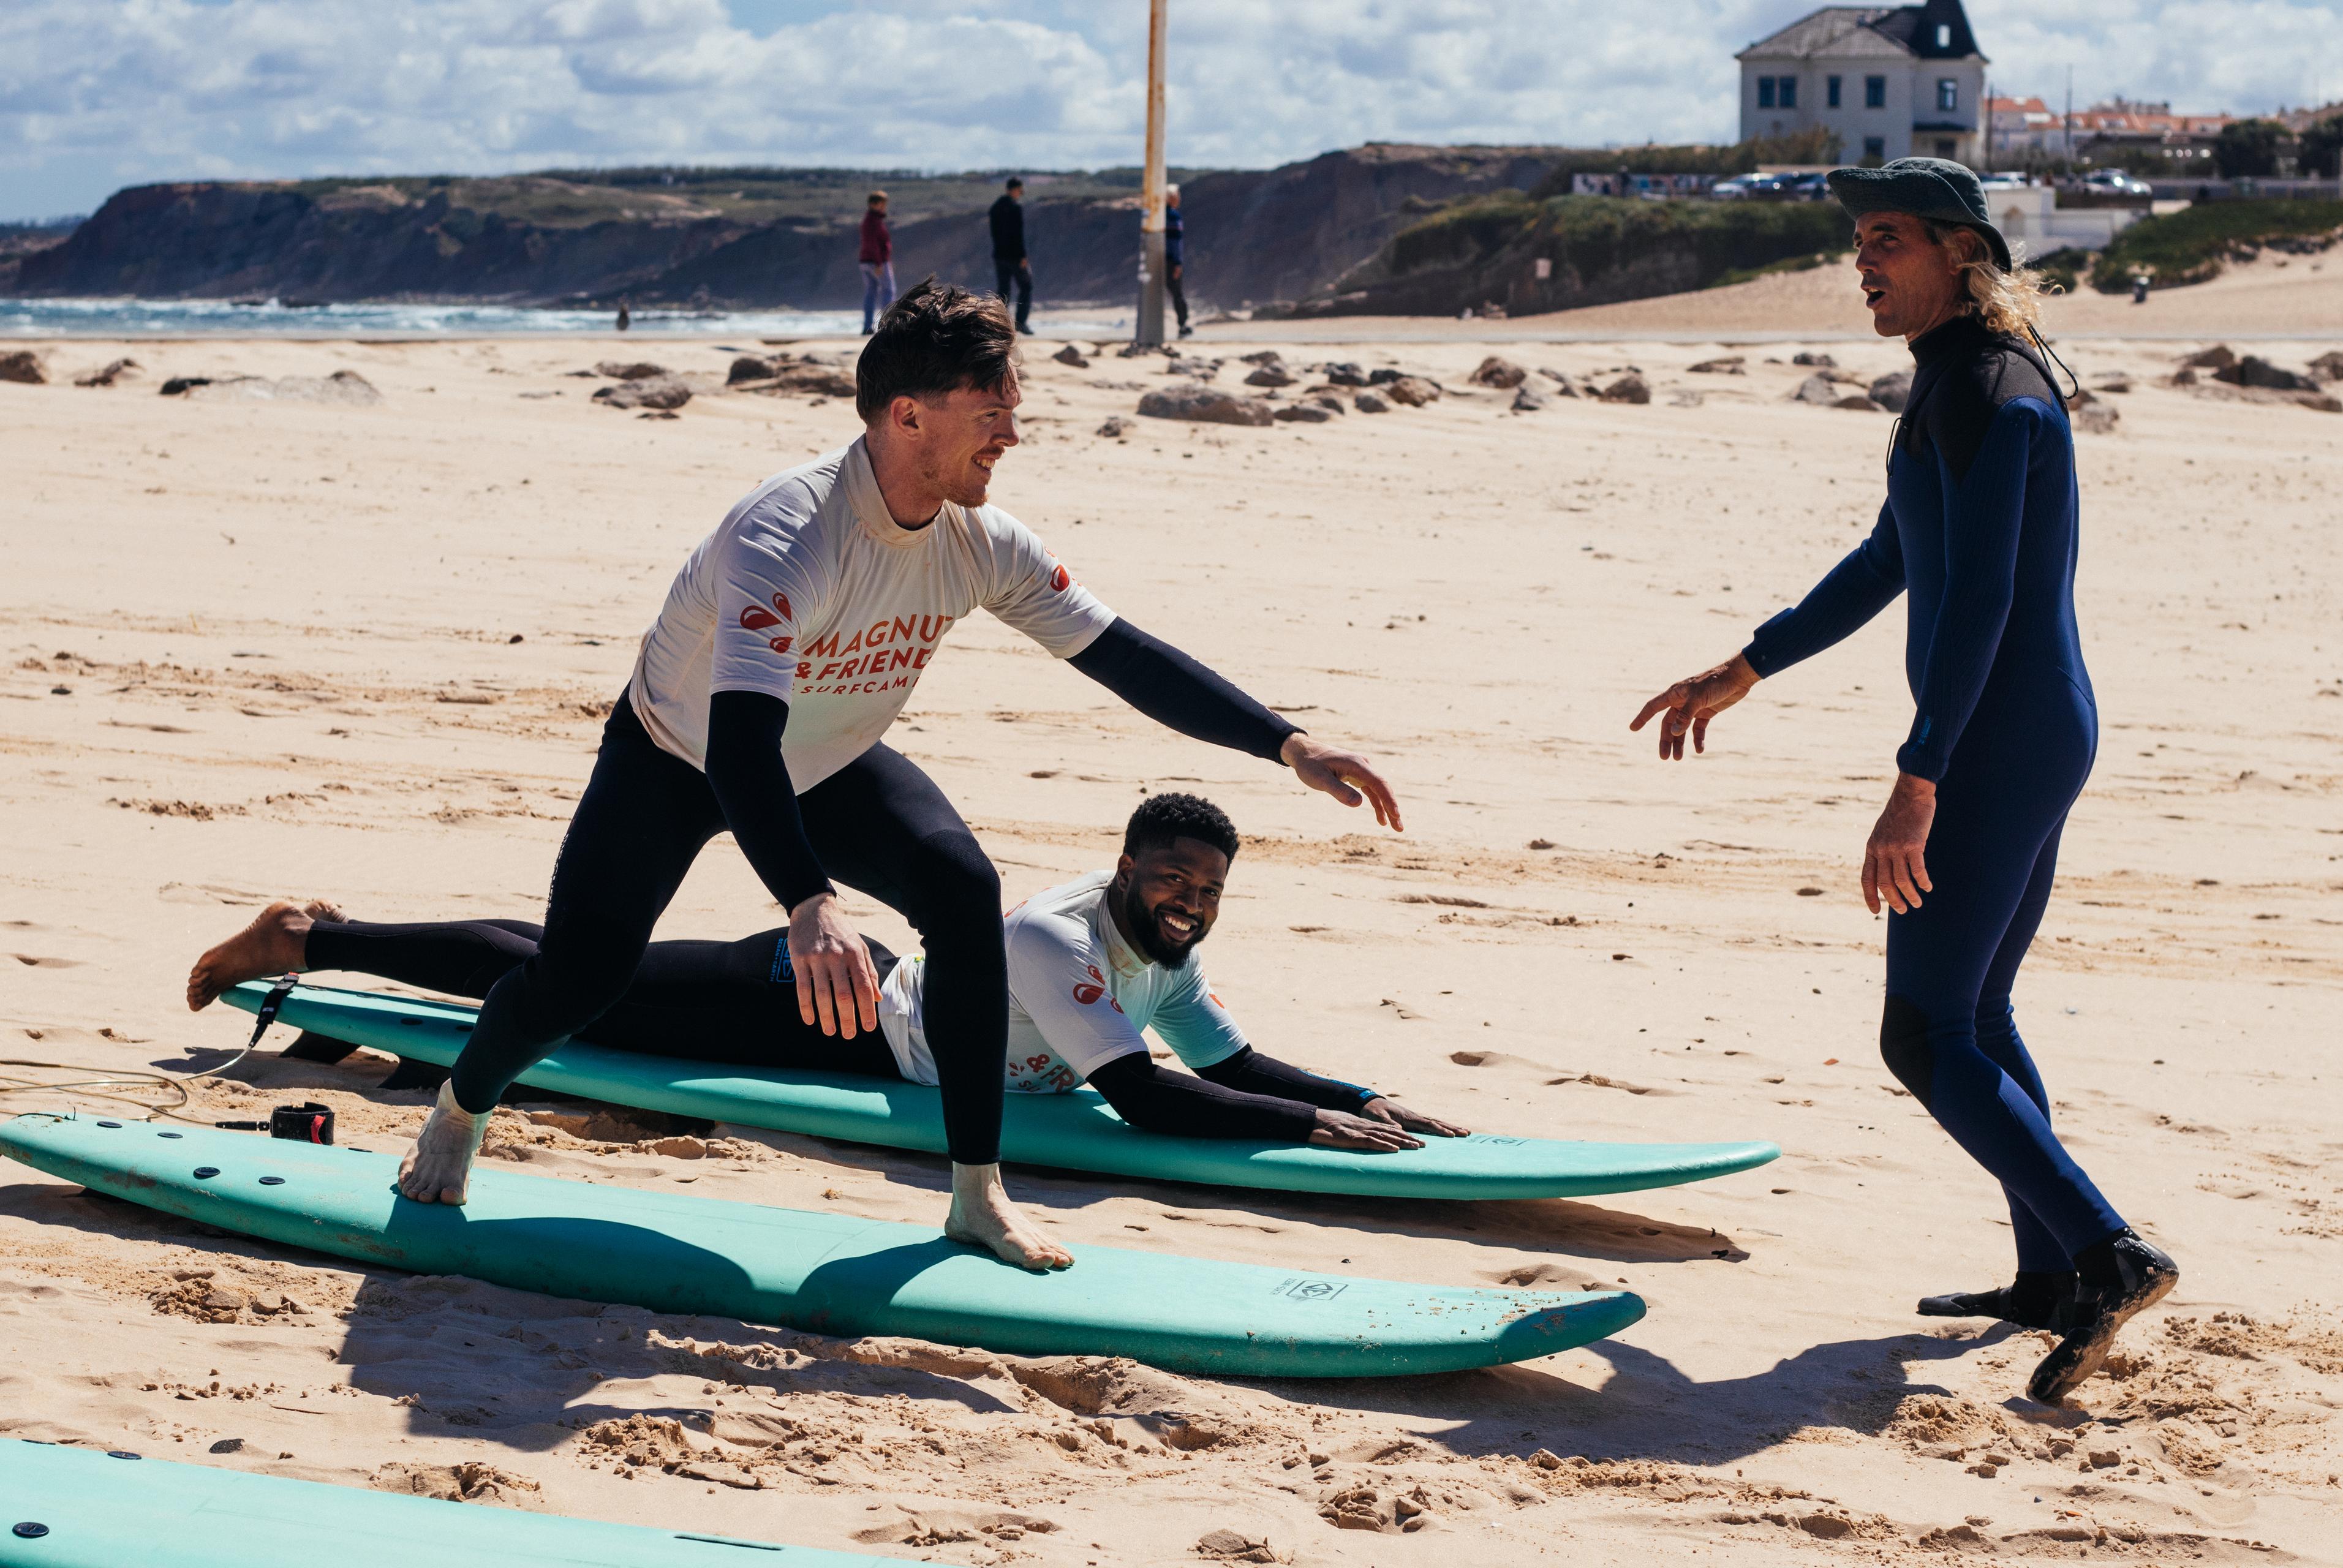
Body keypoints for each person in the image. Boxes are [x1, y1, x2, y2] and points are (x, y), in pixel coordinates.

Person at [379, 281, 1400, 1270]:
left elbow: (1122, 655)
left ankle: (975, 1196)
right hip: (678, 756)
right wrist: (808, 902)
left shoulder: (979, 541)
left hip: (826, 758)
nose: (1012, 434)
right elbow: (739, 748)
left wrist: (1288, 743)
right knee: (581, 977)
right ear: (909, 415)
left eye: (1013, 409)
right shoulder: (789, 534)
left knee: (963, 893)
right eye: (990, 412)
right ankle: (460, 1111)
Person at [1629, 158, 2175, 1404]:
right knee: (1973, 1014)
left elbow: (1977, 598)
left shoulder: (1986, 387)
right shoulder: (1963, 377)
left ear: (1960, 251)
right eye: (1857, 239)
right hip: (2028, 725)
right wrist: (1748, 663)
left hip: (1997, 734)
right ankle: (2051, 1275)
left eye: (1888, 239)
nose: (1863, 259)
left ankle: (2111, 1251)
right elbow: (1895, 552)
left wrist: (1919, 774)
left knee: (1924, 1030)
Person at [187, 796, 1463, 1152]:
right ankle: (313, 938)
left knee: (576, 973)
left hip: (864, 1018)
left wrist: (1364, 1092)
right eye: (1174, 878)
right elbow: (1147, 1097)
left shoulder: (1168, 944)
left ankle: (337, 957)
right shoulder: (1054, 937)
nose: (1190, 902)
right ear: (1128, 865)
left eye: (1209, 889)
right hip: (826, 1017)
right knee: (580, 977)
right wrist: (1315, 1129)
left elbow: (1226, 1061)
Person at [989, 178, 1033, 336]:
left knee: (1003, 291)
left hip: (999, 255)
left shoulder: (995, 208)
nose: (1020, 194)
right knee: (1026, 286)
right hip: (1014, 256)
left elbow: (995, 234)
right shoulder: (1015, 208)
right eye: (1020, 190)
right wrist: (1022, 256)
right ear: (1014, 190)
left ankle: (998, 324)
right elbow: (1017, 235)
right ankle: (1020, 323)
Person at [858, 190, 895, 335]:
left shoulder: (870, 220)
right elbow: (873, 244)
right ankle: (886, 325)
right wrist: (879, 263)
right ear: (873, 205)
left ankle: (868, 326)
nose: (884, 207)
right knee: (888, 291)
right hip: (876, 261)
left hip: (866, 261)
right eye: (882, 204)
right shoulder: (873, 222)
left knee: (871, 293)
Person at [1164, 184, 1191, 339]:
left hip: (1159, 260)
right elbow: (1175, 242)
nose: (1180, 198)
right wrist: (1178, 262)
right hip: (1171, 261)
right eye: (1177, 195)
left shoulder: (1158, 215)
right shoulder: (1173, 216)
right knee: (1178, 294)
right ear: (1172, 198)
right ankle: (1183, 325)